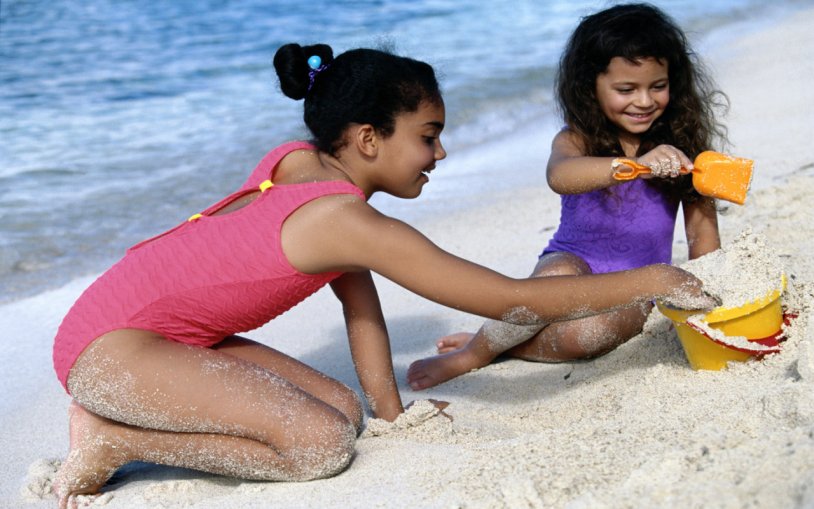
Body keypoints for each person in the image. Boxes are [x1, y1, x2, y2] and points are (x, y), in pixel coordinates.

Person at [52, 41, 716, 508]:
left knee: (346, 410)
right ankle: (113, 437)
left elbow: (357, 297)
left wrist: (390, 412)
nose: (440, 150)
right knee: (320, 447)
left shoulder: (299, 163)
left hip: (153, 331)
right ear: (368, 139)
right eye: (427, 135)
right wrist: (652, 277)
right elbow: (510, 296)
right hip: (107, 349)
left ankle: (121, 421)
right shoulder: (350, 223)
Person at [407, 3, 728, 391]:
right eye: (626, 89)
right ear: (590, 86)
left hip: (635, 287)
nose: (644, 101)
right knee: (552, 276)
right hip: (572, 261)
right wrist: (638, 166)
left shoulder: (683, 153)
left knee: (585, 336)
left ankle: (504, 346)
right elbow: (561, 176)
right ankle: (473, 354)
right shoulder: (576, 139)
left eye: (657, 86)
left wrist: (713, 296)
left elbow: (703, 239)